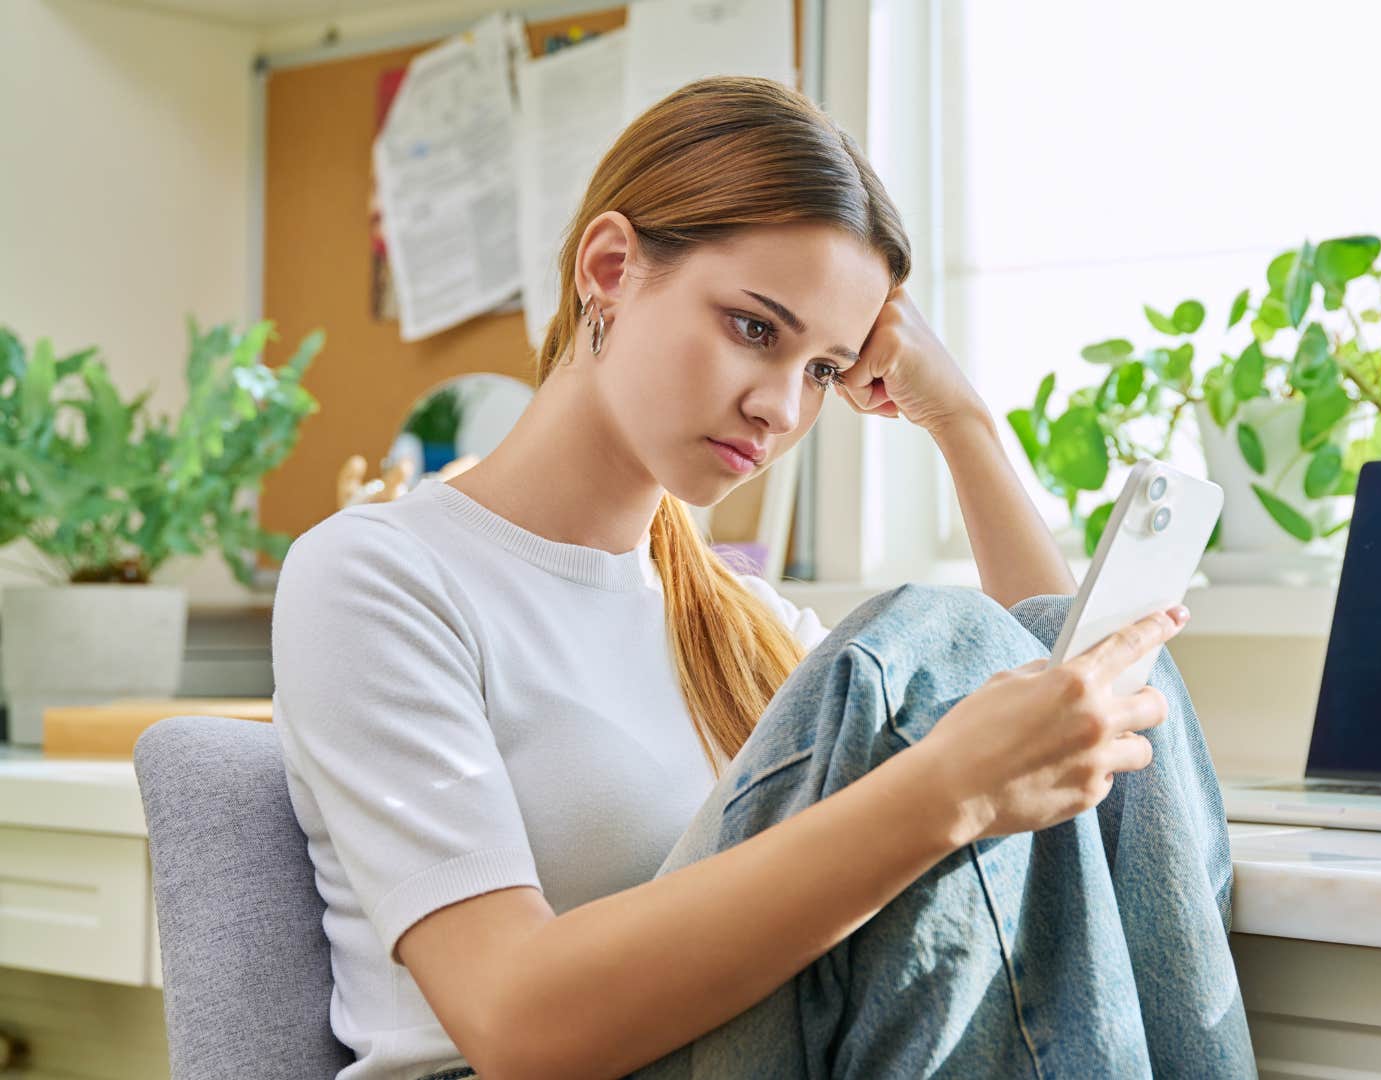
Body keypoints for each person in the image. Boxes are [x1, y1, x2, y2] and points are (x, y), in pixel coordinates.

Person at [271, 75, 1253, 1079]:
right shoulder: (376, 575)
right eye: (754, 328)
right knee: (935, 640)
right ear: (610, 269)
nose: (782, 406)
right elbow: (516, 1022)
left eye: (824, 369)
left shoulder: (736, 616)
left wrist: (958, 421)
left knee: (1118, 694)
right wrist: (948, 790)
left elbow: (1053, 689)